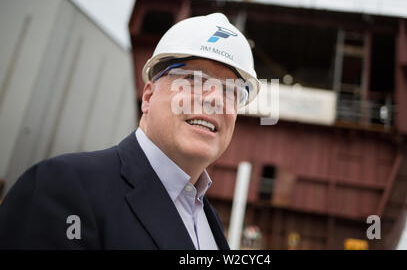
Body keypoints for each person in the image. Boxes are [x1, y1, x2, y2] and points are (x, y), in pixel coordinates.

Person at [0, 13, 260, 249]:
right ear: (148, 96)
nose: (215, 99)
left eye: (231, 91)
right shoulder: (63, 187)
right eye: (193, 79)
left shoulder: (209, 225)